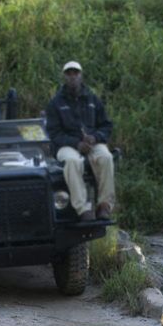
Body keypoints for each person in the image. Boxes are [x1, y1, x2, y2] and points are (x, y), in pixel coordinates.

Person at [45, 61, 115, 221]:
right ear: (64, 76)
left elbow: (106, 125)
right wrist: (76, 143)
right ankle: (83, 209)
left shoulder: (92, 99)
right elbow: (54, 133)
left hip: (92, 142)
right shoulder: (56, 103)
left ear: (81, 75)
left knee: (106, 157)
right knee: (72, 161)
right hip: (66, 145)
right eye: (69, 73)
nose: (72, 77)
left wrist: (95, 137)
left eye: (75, 73)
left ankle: (104, 205)